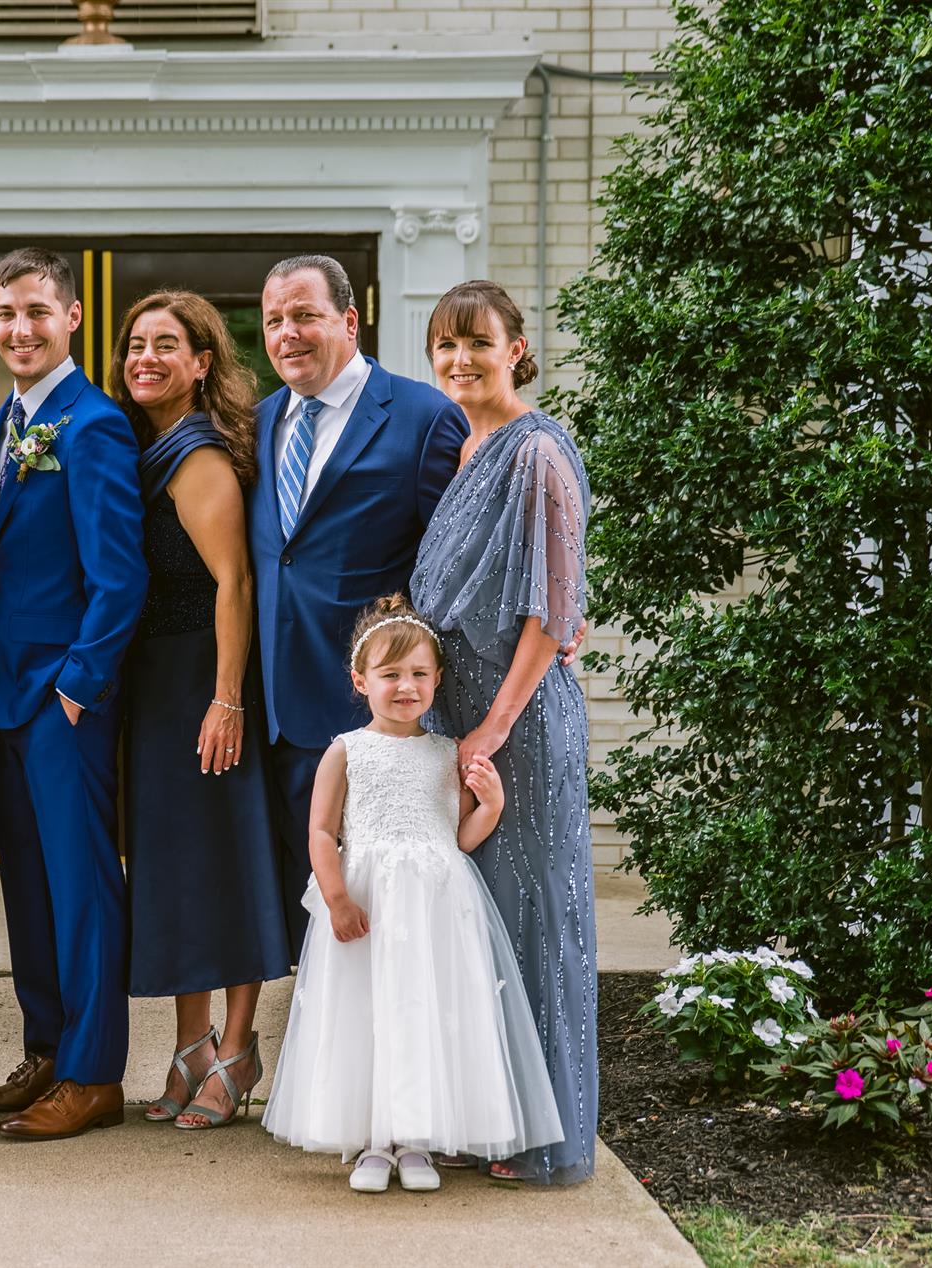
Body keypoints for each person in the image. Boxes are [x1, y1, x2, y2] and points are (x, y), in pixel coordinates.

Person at [263, 595, 563, 1193]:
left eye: (420, 674)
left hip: (435, 907)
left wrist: (491, 806)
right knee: (369, 1014)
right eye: (391, 674)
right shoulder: (346, 750)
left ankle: (417, 1140)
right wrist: (337, 898)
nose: (407, 686)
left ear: (438, 679)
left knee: (425, 1011)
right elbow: (320, 832)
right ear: (360, 681)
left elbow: (458, 837)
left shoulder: (449, 754)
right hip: (368, 904)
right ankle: (373, 1143)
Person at [409, 279, 597, 1185]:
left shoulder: (538, 451)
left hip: (514, 720)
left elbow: (552, 613)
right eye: (445, 346)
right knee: (471, 924)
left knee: (532, 918)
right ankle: (483, 1119)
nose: (461, 361)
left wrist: (491, 725)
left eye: (478, 343)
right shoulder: (464, 447)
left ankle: (542, 1135)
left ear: (515, 350)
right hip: (459, 716)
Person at [0, 248, 149, 1140]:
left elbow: (120, 576)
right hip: (2, 696)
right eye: (6, 313)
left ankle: (92, 1072)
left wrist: (78, 687)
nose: (21, 329)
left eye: (37, 311)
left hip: (60, 700)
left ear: (72, 317)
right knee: (28, 886)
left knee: (81, 887)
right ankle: (45, 1049)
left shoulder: (94, 425)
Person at [248, 255, 470, 953]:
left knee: (385, 911)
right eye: (274, 320)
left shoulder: (424, 417)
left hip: (375, 715)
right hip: (275, 707)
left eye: (304, 315)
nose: (287, 333)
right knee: (308, 915)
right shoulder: (257, 424)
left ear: (349, 321)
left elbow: (456, 568)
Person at [107, 291, 291, 1130]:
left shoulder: (199, 453)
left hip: (204, 681)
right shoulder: (147, 444)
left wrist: (226, 698)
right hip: (157, 684)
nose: (145, 358)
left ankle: (239, 1048)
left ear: (202, 362)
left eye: (166, 345)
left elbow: (235, 582)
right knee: (177, 864)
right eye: (135, 344)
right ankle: (190, 1046)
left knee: (224, 859)